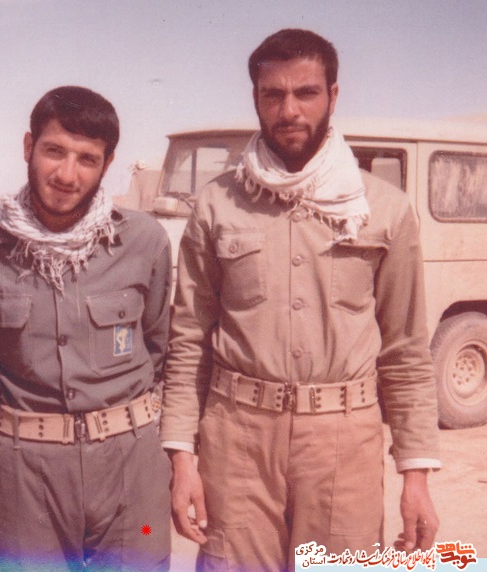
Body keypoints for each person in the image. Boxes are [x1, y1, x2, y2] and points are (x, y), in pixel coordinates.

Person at [160, 28, 441, 571]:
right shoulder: (216, 205)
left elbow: (406, 351)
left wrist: (416, 475)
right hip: (237, 443)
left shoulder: (384, 209)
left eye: (306, 93)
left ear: (333, 95)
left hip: (344, 446)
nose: (289, 110)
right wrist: (182, 458)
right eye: (273, 94)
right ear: (256, 98)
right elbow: (189, 338)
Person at [0, 85, 172, 571]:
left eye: (87, 159)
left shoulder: (143, 240)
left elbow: (160, 346)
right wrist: (20, 436)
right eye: (54, 151)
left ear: (107, 163)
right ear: (28, 147)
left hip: (132, 472)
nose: (66, 174)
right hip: (28, 478)